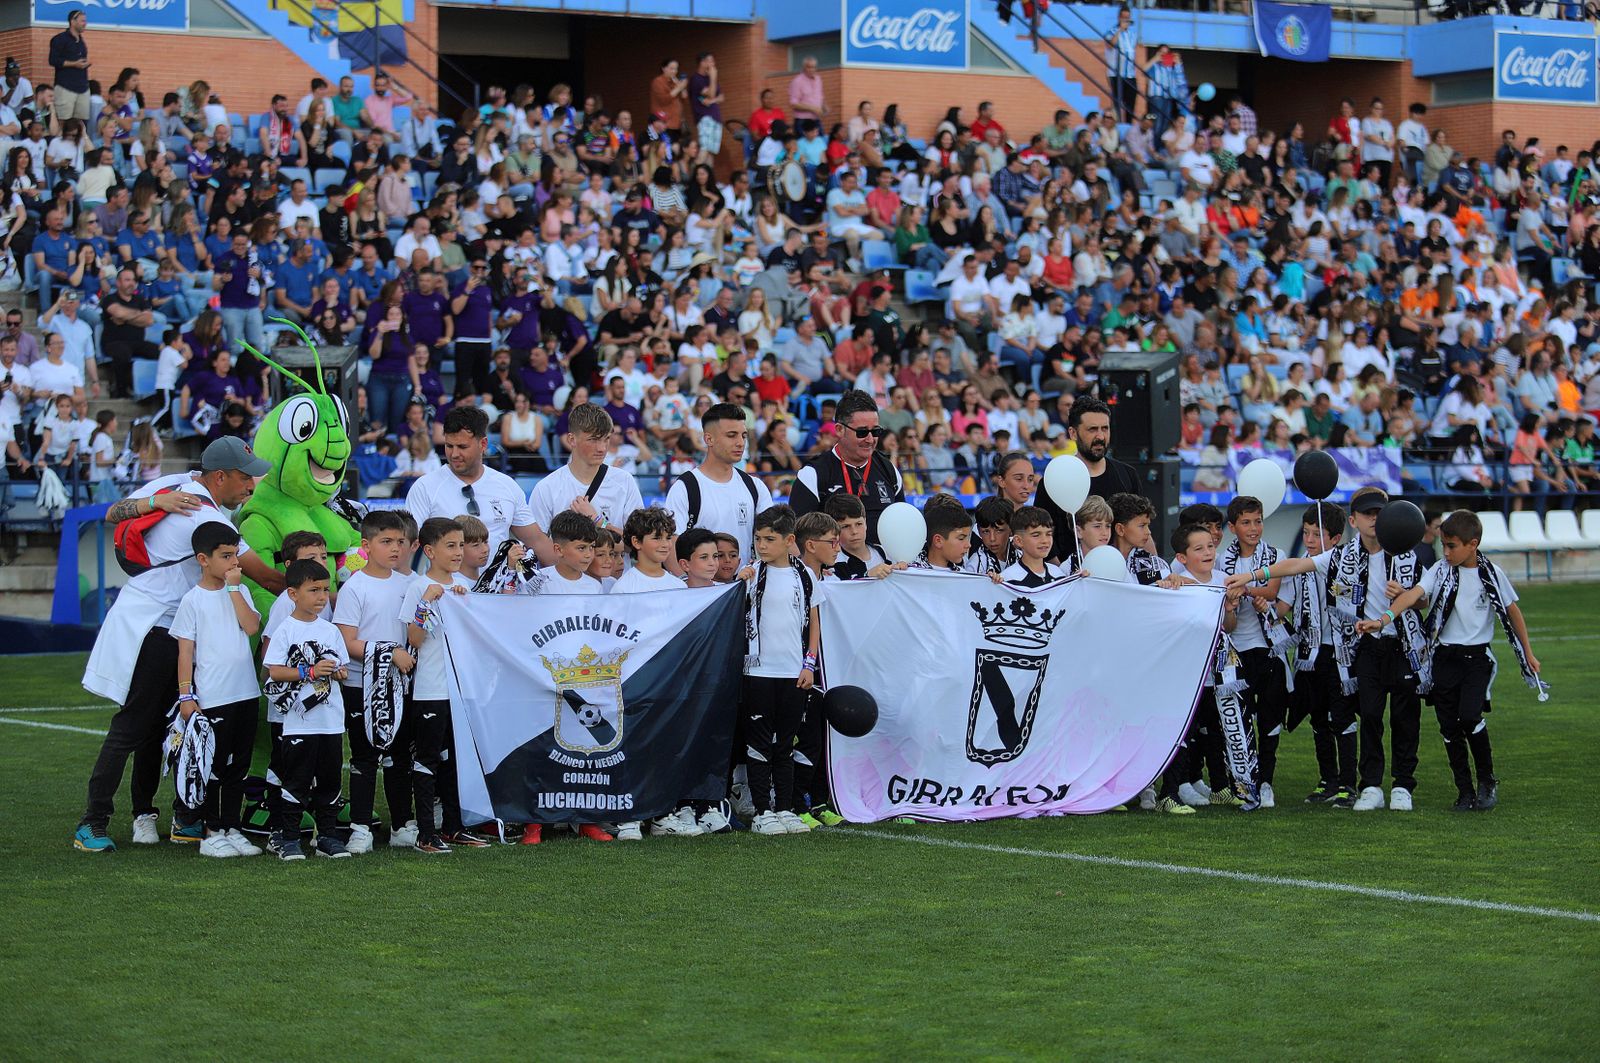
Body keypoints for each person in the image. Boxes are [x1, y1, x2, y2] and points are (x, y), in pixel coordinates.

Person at [73, 439, 276, 853]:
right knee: (134, 727)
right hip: (156, 628)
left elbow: (114, 512)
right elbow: (265, 577)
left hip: (169, 625)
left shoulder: (178, 482)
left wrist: (156, 501)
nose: (251, 484)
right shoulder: (203, 516)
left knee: (163, 727)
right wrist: (319, 575)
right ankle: (93, 823)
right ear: (220, 476)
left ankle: (149, 815)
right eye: (244, 476)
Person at [1227, 487, 1424, 812]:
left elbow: (1425, 597)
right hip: (1366, 645)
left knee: (1404, 718)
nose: (1375, 520)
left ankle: (1403, 784)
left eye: (1380, 513)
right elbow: (1293, 566)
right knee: (1371, 715)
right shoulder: (1342, 555)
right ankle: (1371, 785)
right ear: (1354, 520)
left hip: (1403, 645)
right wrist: (1251, 574)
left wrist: (1406, 593)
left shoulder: (1403, 553)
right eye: (1368, 514)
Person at [1371, 510, 1542, 812]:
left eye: (1451, 546)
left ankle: (1487, 781)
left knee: (1469, 717)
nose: (1445, 552)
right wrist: (1383, 619)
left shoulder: (1491, 574)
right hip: (1444, 658)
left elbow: (1513, 611)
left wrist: (1528, 653)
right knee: (1448, 726)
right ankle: (1464, 790)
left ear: (1472, 544)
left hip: (1476, 659)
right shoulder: (1440, 570)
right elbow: (1415, 596)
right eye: (1443, 545)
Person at [610, 506, 712, 839]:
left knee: (665, 747)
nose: (665, 544)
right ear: (636, 542)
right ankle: (629, 814)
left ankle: (660, 813)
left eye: (668, 536)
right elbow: (614, 638)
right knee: (633, 747)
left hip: (671, 681)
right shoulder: (625, 587)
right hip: (636, 680)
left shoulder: (677, 586)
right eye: (657, 538)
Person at [170, 523, 263, 858]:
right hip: (213, 696)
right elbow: (185, 652)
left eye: (236, 554)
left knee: (238, 766)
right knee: (213, 766)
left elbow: (251, 626)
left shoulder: (240, 591)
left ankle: (231, 827)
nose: (233, 562)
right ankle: (210, 832)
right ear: (203, 559)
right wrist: (186, 695)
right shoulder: (192, 601)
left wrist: (235, 590)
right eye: (226, 556)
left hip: (245, 693)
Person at [332, 509, 418, 853]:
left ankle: (401, 824)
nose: (395, 548)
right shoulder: (355, 588)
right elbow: (347, 641)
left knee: (399, 757)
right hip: (361, 687)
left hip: (400, 687)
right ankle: (360, 828)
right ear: (366, 545)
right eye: (386, 541)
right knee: (365, 758)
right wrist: (389, 651)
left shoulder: (410, 585)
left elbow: (416, 632)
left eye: (399, 541)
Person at [398, 517, 484, 854]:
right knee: (428, 759)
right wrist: (426, 603)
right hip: (431, 689)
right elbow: (414, 639)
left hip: (460, 691)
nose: (459, 552)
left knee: (456, 760)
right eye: (451, 545)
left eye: (462, 545)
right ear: (430, 550)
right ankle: (424, 832)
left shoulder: (464, 588)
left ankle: (454, 826)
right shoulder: (419, 587)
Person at [261, 559, 352, 861]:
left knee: (330, 780)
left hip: (330, 721)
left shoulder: (330, 630)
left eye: (325, 590)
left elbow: (342, 667)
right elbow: (274, 670)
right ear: (293, 593)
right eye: (314, 590)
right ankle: (289, 840)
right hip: (299, 723)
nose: (322, 597)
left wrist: (337, 672)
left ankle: (327, 837)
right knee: (296, 780)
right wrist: (309, 672)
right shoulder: (285, 629)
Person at [742, 505, 822, 836]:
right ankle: (762, 811)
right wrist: (740, 580)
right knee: (759, 743)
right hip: (758, 672)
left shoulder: (804, 575)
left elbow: (814, 620)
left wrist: (809, 663)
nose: (762, 545)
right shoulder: (750, 575)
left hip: (793, 672)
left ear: (789, 540)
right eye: (758, 539)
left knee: (785, 743)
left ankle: (786, 807)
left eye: (769, 539)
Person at [1276, 503, 1358, 807]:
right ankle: (1328, 779)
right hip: (1310, 652)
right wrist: (1260, 605)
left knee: (1343, 717)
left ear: (1334, 538)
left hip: (1340, 653)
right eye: (1306, 532)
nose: (1309, 539)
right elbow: (1283, 606)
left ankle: (1348, 784)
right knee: (1318, 718)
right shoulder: (1299, 567)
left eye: (1317, 534)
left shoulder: (1346, 563)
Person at [1217, 495, 1291, 808]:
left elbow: (1276, 595)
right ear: (1232, 527)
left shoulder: (1276, 554)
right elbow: (1223, 604)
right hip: (1236, 652)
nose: (1253, 528)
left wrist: (1244, 588)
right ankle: (1245, 782)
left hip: (1269, 649)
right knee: (1239, 721)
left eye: (1258, 521)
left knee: (1270, 720)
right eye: (1245, 522)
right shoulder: (1222, 559)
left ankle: (1267, 781)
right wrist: (1232, 599)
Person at [405, 406, 552, 561]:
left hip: (500, 585)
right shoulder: (425, 487)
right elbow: (407, 546)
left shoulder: (507, 485)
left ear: (483, 444)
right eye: (449, 446)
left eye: (462, 447)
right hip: (446, 585)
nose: (454, 454)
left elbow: (538, 543)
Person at [789, 389, 905, 543]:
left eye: (875, 431)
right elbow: (798, 536)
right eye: (862, 432)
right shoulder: (813, 473)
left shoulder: (889, 469)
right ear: (839, 430)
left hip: (884, 564)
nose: (870, 439)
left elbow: (902, 526)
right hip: (834, 565)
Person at [665, 401, 773, 566]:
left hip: (745, 587)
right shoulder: (685, 488)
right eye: (731, 435)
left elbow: (775, 537)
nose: (740, 442)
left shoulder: (755, 486)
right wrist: (690, 587)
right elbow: (672, 544)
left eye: (743, 435)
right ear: (709, 439)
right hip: (701, 589)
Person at [1035, 397, 1141, 560]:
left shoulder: (1128, 475)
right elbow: (1043, 539)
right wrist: (1064, 577)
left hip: (1121, 576)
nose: (1100, 436)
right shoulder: (1053, 480)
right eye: (1092, 429)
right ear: (1073, 433)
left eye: (1105, 429)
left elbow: (1141, 530)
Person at [528, 402, 643, 536]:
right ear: (572, 439)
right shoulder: (547, 488)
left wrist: (598, 521)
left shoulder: (625, 481)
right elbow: (536, 547)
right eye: (593, 440)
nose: (602, 448)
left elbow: (638, 543)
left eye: (606, 439)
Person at [823, 493, 891, 580]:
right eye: (846, 526)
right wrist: (867, 577)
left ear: (865, 522)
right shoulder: (832, 563)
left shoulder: (886, 553)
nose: (854, 532)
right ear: (834, 529)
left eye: (859, 524)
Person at [1002, 505, 1066, 587]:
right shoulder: (1008, 579)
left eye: (1048, 534)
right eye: (1036, 535)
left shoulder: (1058, 574)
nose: (1044, 540)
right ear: (1018, 541)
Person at [48, 9, 90, 124]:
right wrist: (74, 64)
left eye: (85, 21)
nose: (85, 23)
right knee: (63, 121)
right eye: (82, 21)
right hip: (65, 87)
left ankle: (81, 142)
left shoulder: (81, 41)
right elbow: (53, 60)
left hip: (82, 87)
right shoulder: (60, 39)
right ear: (73, 21)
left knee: (81, 122)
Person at [965, 495, 1017, 576]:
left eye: (999, 531)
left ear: (1011, 529)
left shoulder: (1023, 556)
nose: (992, 538)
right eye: (986, 531)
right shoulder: (974, 567)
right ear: (978, 531)